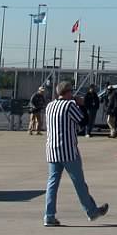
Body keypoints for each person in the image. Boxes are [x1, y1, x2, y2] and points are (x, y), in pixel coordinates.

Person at [42, 80, 109, 226]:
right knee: (79, 183)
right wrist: (82, 104)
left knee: (52, 183)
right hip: (68, 150)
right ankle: (91, 211)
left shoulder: (50, 106)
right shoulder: (69, 105)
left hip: (52, 150)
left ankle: (49, 215)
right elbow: (83, 121)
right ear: (68, 92)